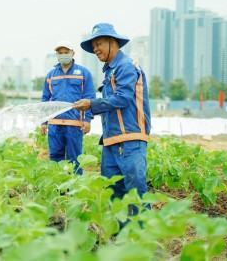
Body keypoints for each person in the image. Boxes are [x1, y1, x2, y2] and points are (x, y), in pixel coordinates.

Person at [73, 23, 151, 210]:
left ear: (113, 42)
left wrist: (91, 104)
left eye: (99, 44)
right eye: (93, 47)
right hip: (111, 141)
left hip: (130, 139)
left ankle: (143, 235)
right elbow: (109, 103)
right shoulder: (110, 72)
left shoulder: (126, 66)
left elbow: (123, 99)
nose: (96, 50)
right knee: (113, 192)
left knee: (135, 192)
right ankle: (120, 234)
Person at [41, 41, 96, 174]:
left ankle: (74, 190)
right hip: (55, 124)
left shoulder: (83, 73)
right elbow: (45, 99)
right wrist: (43, 121)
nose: (63, 55)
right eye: (60, 53)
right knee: (55, 158)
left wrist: (87, 120)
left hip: (74, 124)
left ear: (72, 53)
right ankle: (58, 189)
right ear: (57, 55)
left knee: (75, 158)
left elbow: (89, 97)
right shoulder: (51, 75)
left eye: (66, 52)